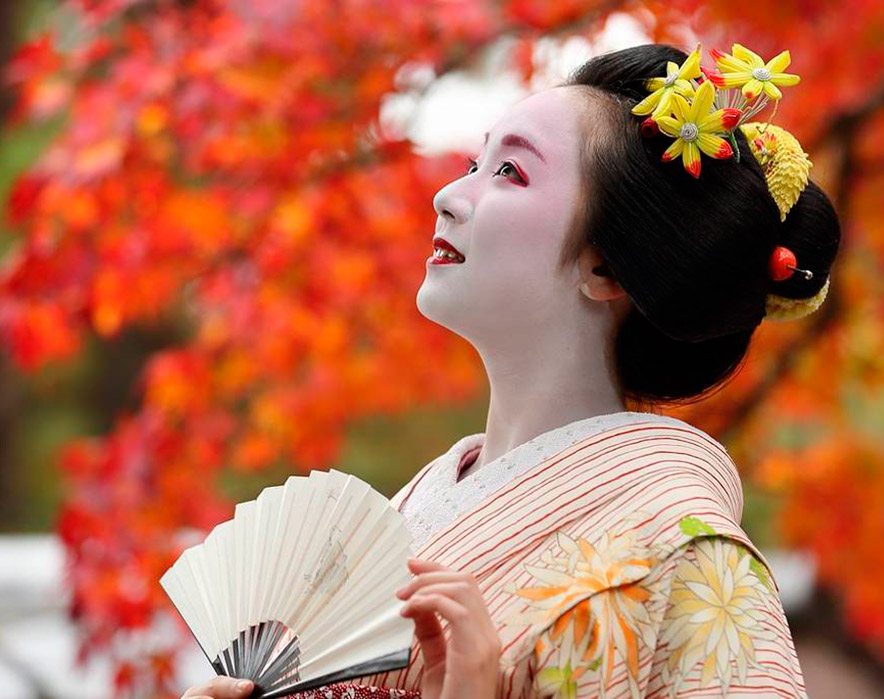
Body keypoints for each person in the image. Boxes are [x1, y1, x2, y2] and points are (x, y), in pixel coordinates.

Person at [181, 42, 839, 699]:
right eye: (474, 164)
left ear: (605, 266)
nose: (447, 196)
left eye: (510, 172)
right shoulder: (416, 505)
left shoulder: (686, 547)